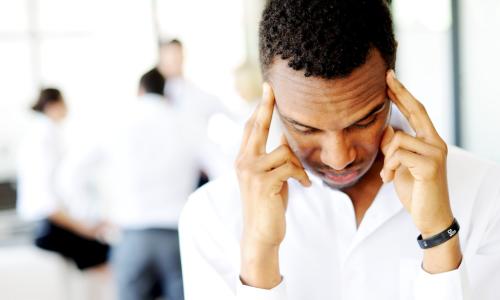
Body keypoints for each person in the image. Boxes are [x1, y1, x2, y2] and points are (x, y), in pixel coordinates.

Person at [178, 1, 500, 299]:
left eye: (363, 121)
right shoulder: (213, 217)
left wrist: (439, 238)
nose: (339, 157)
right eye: (306, 128)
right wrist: (259, 254)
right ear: (269, 95)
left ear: (393, 70)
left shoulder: (484, 195)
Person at [106, 68, 205, 300]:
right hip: (177, 236)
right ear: (166, 92)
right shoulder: (185, 122)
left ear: (140, 90)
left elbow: (70, 174)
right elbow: (224, 168)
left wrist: (92, 215)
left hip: (132, 235)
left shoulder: (118, 122)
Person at [16, 88, 110, 271]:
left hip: (51, 220)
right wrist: (84, 228)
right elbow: (47, 203)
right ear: (53, 105)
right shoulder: (42, 139)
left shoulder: (45, 135)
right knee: (106, 254)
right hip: (47, 226)